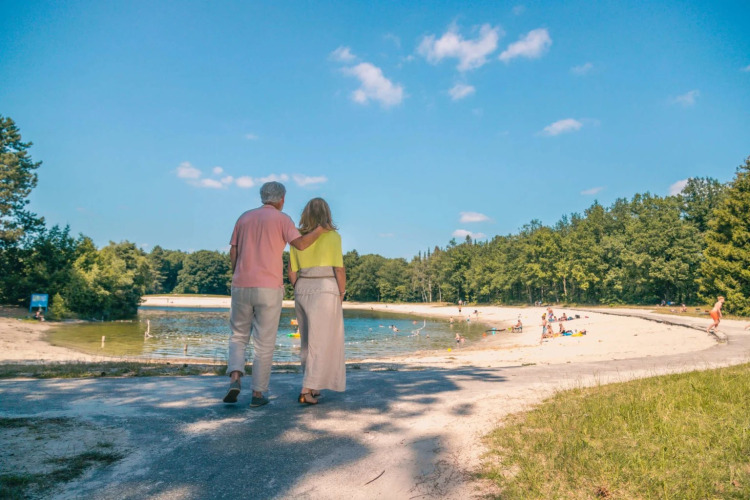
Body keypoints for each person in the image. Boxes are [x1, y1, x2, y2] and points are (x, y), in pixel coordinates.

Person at [224, 182, 325, 407]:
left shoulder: (244, 218)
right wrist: (320, 230)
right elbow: (300, 245)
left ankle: (235, 377)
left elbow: (234, 249)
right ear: (281, 199)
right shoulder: (282, 219)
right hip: (269, 288)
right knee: (264, 342)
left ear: (263, 197)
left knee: (238, 335)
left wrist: (237, 274)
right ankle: (258, 395)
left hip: (241, 284)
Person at [288, 198, 346, 405]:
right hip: (325, 286)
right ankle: (306, 390)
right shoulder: (333, 237)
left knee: (307, 341)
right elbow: (339, 268)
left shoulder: (296, 238)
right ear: (327, 214)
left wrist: (299, 288)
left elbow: (291, 271)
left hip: (302, 286)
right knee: (323, 340)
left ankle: (315, 385)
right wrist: (341, 292)